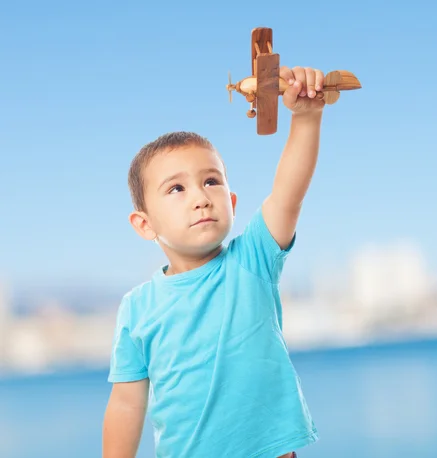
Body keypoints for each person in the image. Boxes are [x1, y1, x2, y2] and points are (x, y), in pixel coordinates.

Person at [102, 65, 326, 458]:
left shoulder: (253, 260)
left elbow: (289, 192)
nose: (200, 197)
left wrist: (306, 118)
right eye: (176, 188)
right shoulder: (136, 309)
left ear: (232, 203)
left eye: (211, 181)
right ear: (145, 224)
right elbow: (126, 404)